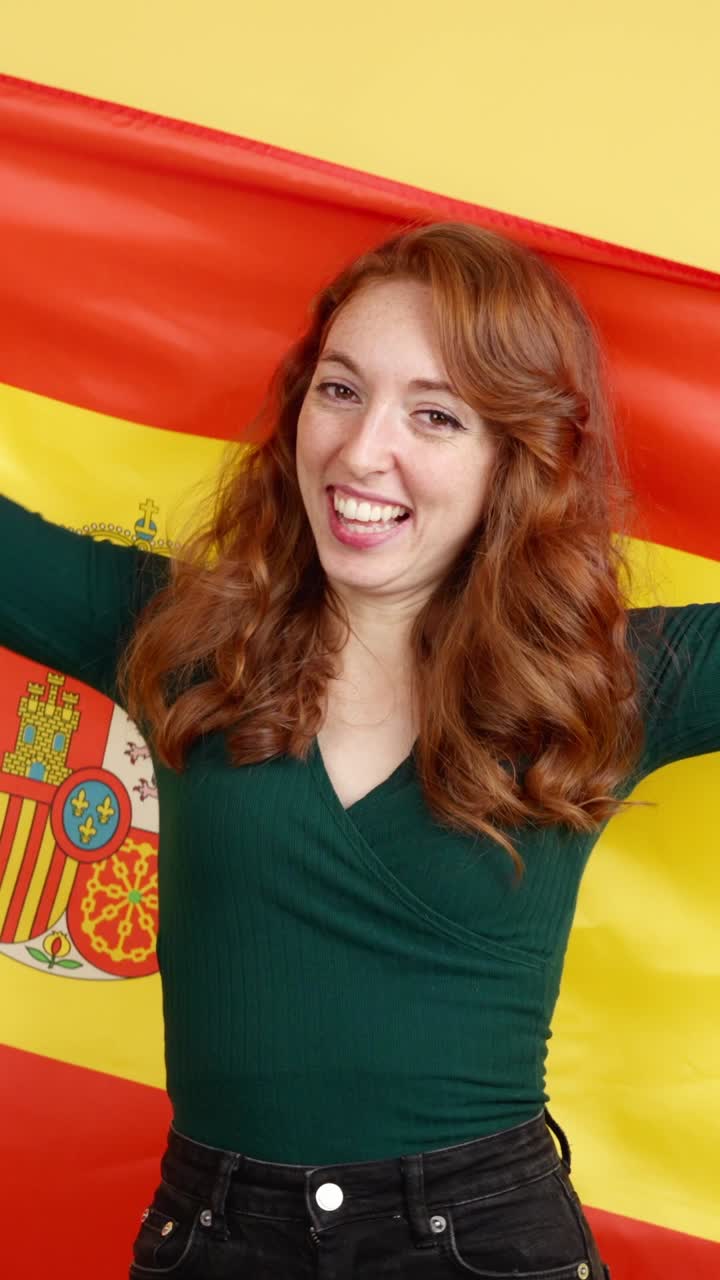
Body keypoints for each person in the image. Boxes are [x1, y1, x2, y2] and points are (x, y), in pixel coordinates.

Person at [1, 221, 718, 1279]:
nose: (361, 449)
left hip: (480, 1244)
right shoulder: (181, 637)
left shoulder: (602, 681)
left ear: (513, 457)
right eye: (340, 390)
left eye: (435, 414)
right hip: (213, 1241)